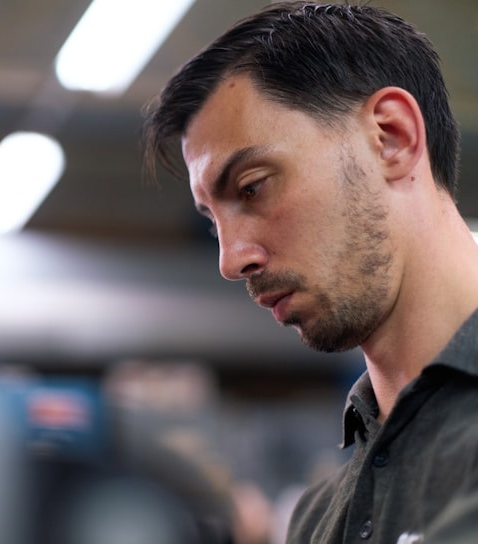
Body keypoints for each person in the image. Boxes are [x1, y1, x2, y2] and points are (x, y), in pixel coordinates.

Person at [143, 2, 478, 543]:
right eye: (212, 222)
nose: (230, 261)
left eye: (252, 187)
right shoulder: (317, 518)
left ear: (391, 137)